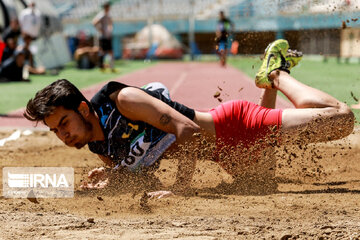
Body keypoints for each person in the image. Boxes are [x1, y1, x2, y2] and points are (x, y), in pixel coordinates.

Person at [24, 39, 354, 198]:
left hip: (235, 126)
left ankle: (277, 74)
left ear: (83, 109)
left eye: (63, 124)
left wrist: (181, 189)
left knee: (341, 119)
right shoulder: (100, 146)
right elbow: (147, 177)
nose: (62, 136)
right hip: (231, 158)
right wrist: (114, 178)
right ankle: (270, 84)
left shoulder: (123, 100)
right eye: (55, 131)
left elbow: (188, 129)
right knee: (262, 185)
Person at [92, 1, 115, 72]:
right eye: (108, 7)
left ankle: (111, 67)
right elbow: (94, 22)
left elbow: (110, 23)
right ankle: (102, 66)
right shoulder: (101, 15)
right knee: (103, 51)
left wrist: (110, 29)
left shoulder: (108, 15)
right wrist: (100, 30)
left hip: (107, 36)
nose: (109, 8)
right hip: (103, 36)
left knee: (109, 51)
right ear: (106, 7)